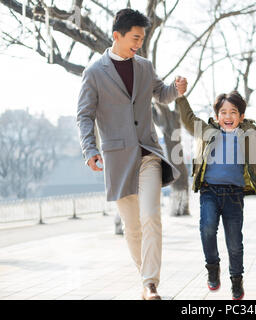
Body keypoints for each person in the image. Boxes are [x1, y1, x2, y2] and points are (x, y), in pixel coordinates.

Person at [77, 8, 187, 300]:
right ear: (117, 35)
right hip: (117, 158)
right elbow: (84, 116)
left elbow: (160, 93)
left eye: (142, 38)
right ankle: (145, 279)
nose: (139, 43)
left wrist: (175, 90)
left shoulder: (145, 66)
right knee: (132, 226)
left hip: (148, 153)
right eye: (135, 38)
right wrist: (89, 149)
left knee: (152, 216)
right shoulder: (94, 73)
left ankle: (150, 283)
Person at [175, 90, 256, 300]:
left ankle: (236, 279)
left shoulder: (249, 133)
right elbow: (189, 120)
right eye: (223, 112)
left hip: (234, 195)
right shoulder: (207, 130)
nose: (228, 116)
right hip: (209, 190)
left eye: (233, 112)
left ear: (241, 116)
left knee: (234, 242)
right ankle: (212, 266)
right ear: (217, 116)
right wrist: (181, 96)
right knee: (207, 229)